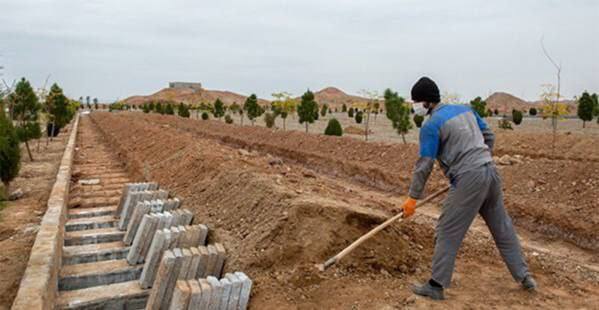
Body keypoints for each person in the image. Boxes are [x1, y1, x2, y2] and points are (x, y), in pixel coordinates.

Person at [400, 77, 536, 300]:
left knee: (447, 229)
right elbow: (489, 136)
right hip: (490, 172)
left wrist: (412, 198)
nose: (414, 106)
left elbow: (424, 164)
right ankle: (524, 277)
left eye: (416, 101)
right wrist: (480, 158)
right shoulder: (465, 110)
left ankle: (435, 285)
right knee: (502, 227)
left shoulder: (431, 125)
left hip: (469, 178)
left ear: (425, 103)